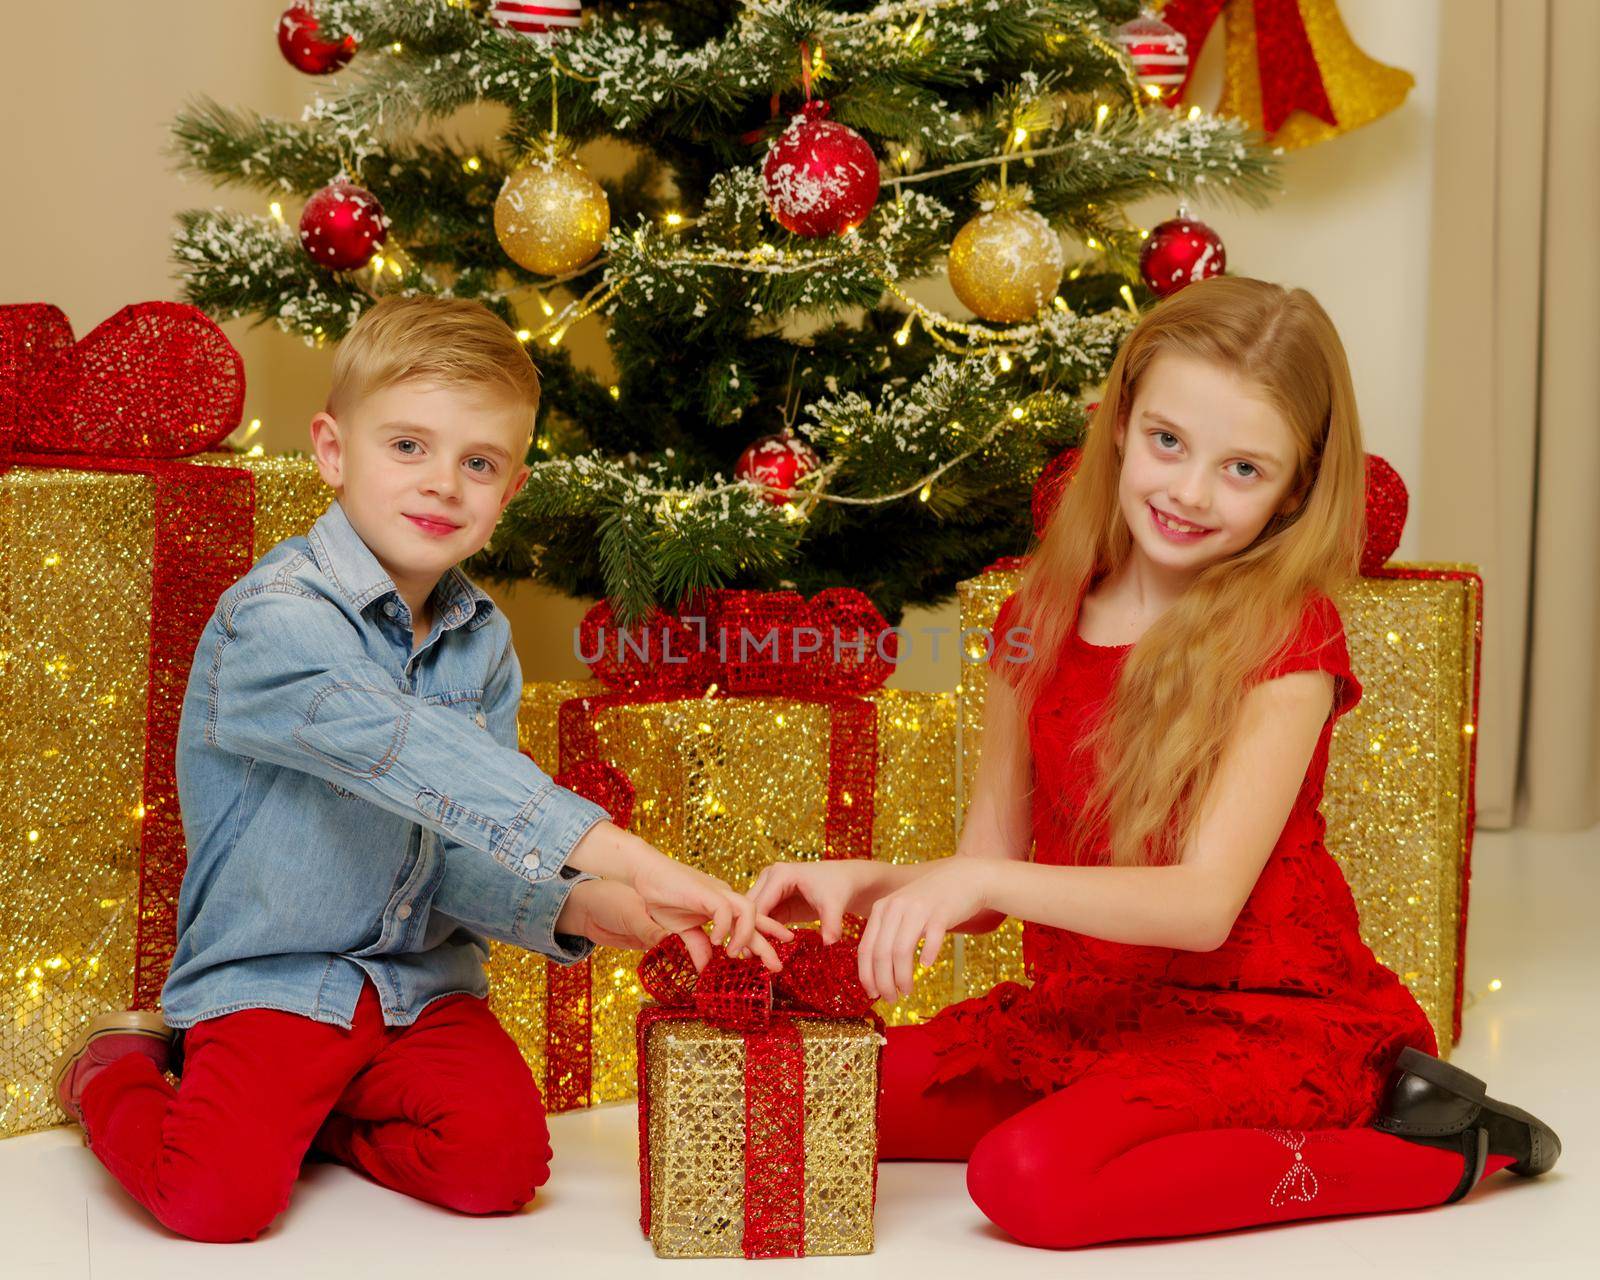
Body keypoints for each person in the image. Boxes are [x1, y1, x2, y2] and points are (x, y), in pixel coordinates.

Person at [749, 276, 1560, 1248]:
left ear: (1296, 487)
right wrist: (869, 883)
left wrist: (973, 875)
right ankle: (1125, 1118)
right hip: (1090, 1009)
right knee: (818, 1091)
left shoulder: (1285, 637)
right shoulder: (1031, 620)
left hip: (1256, 1018)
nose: (1187, 491)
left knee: (1028, 1180)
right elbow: (987, 869)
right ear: (1121, 423)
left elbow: (1201, 903)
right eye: (1167, 441)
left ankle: (1444, 1152)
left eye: (1242, 469)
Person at [50, 295, 789, 1243]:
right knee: (216, 1203)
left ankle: (317, 1121)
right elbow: (408, 752)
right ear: (331, 450)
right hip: (280, 980)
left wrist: (595, 908)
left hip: (416, 986)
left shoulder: (481, 643)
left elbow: (459, 844)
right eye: (408, 447)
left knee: (499, 1167)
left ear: (509, 490)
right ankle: (112, 1067)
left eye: (477, 463)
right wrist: (628, 856)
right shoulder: (272, 616)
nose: (443, 484)